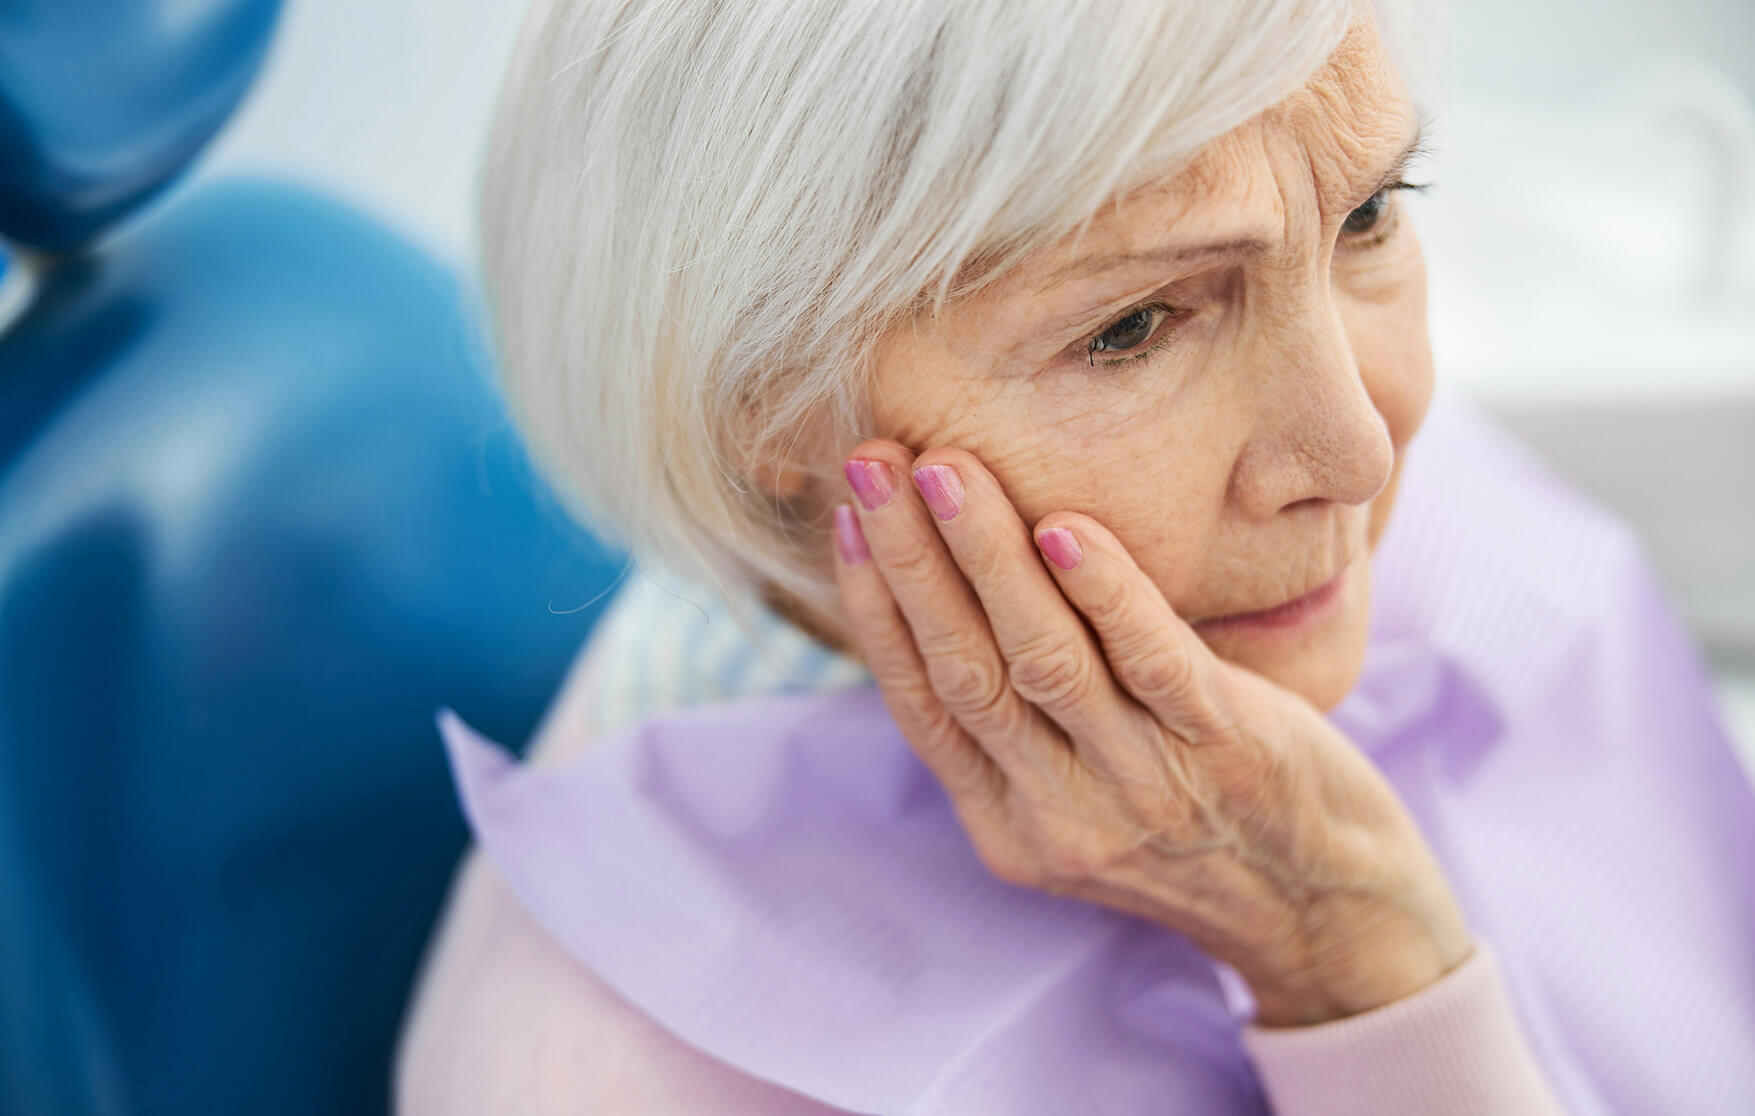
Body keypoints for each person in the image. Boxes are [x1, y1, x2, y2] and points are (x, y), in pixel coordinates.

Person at [394, 0, 1755, 1111]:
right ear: (761, 406)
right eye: (1135, 327)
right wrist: (1358, 968)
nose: (1360, 449)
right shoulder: (615, 1067)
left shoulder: (1431, 518)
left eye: (1370, 217)